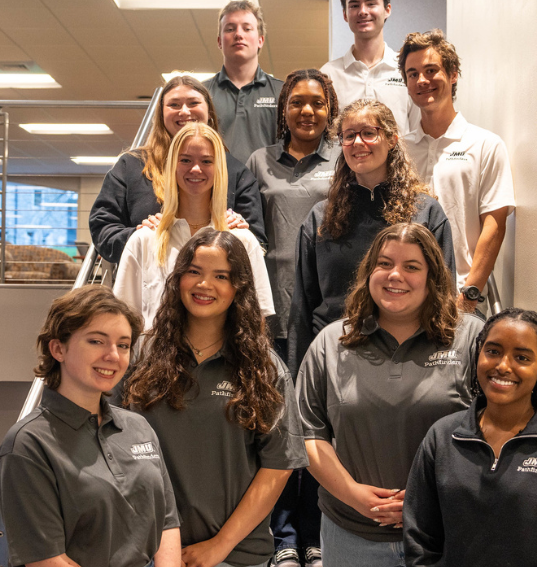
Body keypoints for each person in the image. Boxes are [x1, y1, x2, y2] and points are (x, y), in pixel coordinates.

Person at [296, 223, 484, 567]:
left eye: (411, 266)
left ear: (432, 277)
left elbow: (496, 430)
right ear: (369, 271)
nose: (395, 275)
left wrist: (427, 499)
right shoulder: (331, 342)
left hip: (446, 533)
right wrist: (354, 496)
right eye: (384, 264)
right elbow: (308, 434)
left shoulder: (471, 338)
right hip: (351, 535)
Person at [123, 230, 308, 567]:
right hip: (142, 550)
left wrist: (219, 546)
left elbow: (278, 468)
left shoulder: (264, 368)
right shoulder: (140, 354)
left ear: (239, 287)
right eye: (194, 271)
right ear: (178, 279)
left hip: (232, 555)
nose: (204, 285)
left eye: (220, 276)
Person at [0, 285, 181, 567]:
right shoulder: (27, 445)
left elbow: (167, 523)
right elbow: (48, 560)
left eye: (123, 345)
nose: (113, 356)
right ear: (58, 348)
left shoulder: (138, 428)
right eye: (96, 341)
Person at [403, 308, 537, 566]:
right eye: (493, 352)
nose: (503, 366)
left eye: (521, 357)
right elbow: (420, 541)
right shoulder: (443, 436)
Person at [287, 98, 454, 379]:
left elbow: (443, 297)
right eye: (348, 136)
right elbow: (302, 309)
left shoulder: (426, 213)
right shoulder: (321, 218)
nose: (357, 143)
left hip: (408, 358)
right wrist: (297, 376)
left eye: (368, 133)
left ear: (391, 139)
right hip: (335, 359)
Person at [246, 68, 338, 567]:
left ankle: (316, 533)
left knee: (319, 429)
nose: (307, 111)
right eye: (297, 102)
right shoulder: (260, 163)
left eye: (317, 103)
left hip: (323, 317)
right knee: (278, 429)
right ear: (282, 109)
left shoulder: (344, 159)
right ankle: (283, 538)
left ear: (330, 109)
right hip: (270, 319)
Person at [112, 123, 274, 330]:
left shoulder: (242, 241)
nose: (195, 169)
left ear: (219, 169)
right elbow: (123, 320)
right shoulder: (143, 240)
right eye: (185, 160)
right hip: (152, 361)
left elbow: (256, 320)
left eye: (206, 161)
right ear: (172, 166)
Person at [89, 75, 266, 263]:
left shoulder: (236, 171)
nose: (184, 111)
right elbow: (103, 230)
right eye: (174, 105)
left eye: (193, 103)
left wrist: (240, 232)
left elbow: (257, 242)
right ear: (161, 114)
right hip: (148, 280)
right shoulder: (131, 166)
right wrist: (140, 238)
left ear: (210, 112)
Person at [399, 29, 515, 313]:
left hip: (460, 298)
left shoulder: (485, 144)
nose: (421, 80)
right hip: (403, 296)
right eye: (412, 74)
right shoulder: (399, 149)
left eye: (430, 70)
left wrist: (468, 297)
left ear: (453, 74)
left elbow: (494, 226)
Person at [321, 0, 419, 134]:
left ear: (387, 9)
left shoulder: (407, 69)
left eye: (371, 3)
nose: (363, 11)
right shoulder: (329, 75)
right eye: (354, 5)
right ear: (345, 15)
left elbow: (417, 134)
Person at [203, 0, 284, 163]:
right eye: (230, 29)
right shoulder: (201, 94)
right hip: (215, 186)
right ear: (219, 41)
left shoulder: (283, 92)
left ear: (260, 40)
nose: (238, 34)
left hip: (265, 187)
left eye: (247, 28)